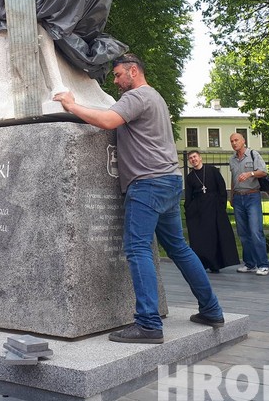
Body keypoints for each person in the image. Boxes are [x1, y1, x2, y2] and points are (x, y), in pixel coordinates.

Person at [54, 53, 224, 344]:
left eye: (118, 74)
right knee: (179, 248)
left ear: (133, 71)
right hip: (169, 181)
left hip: (147, 184)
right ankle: (211, 309)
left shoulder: (136, 96)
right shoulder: (155, 97)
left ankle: (148, 324)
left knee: (137, 249)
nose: (116, 81)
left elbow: (108, 120)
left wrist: (71, 105)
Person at [184, 151, 240, 273]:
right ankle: (203, 263)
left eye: (195, 157)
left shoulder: (212, 170)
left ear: (200, 158)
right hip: (198, 210)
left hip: (214, 208)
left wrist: (221, 205)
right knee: (201, 238)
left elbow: (221, 187)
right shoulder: (190, 177)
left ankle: (216, 264)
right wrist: (188, 210)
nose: (193, 159)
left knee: (215, 236)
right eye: (190, 158)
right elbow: (188, 195)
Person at [228, 132, 269, 275]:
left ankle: (263, 265)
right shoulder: (232, 159)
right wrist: (232, 196)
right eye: (232, 141)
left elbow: (263, 172)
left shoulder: (253, 154)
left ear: (243, 141)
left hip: (252, 196)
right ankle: (250, 264)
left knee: (255, 231)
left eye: (236, 140)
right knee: (243, 233)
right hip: (238, 198)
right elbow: (233, 178)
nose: (234, 143)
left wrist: (250, 174)